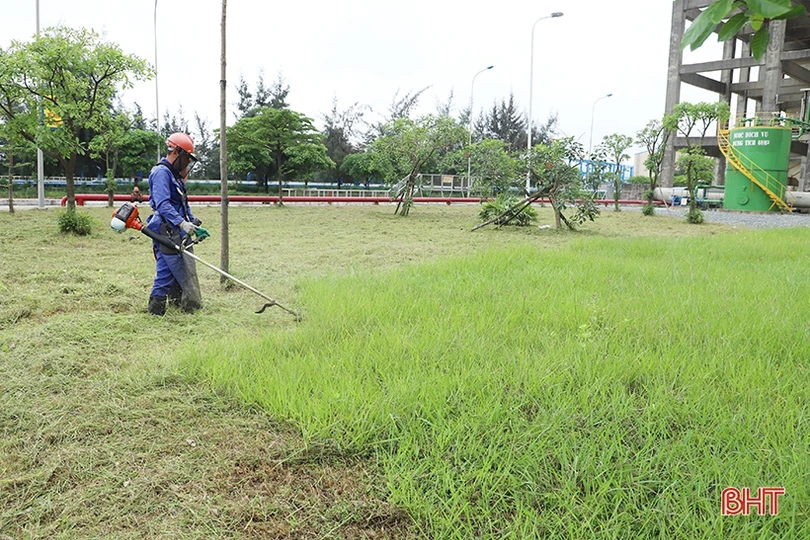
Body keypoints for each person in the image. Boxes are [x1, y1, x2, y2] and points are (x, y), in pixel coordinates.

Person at [145, 132, 210, 316]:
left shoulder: (174, 176)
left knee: (180, 267)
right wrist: (182, 223)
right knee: (166, 270)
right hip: (165, 228)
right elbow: (163, 204)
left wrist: (192, 224)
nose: (187, 163)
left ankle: (177, 304)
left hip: (177, 229)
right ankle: (155, 311)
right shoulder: (161, 173)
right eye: (186, 158)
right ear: (177, 153)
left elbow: (182, 203)